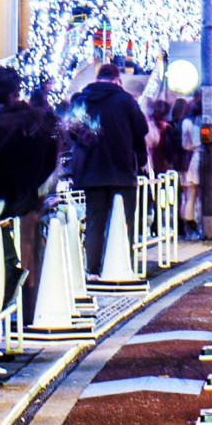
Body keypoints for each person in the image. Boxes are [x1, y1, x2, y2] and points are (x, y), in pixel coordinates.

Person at [0, 64, 60, 313]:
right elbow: (52, 158)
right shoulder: (40, 119)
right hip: (28, 196)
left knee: (1, 254)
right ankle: (30, 311)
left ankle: (5, 310)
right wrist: (37, 186)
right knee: (30, 251)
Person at [67, 60, 148, 276]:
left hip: (91, 171)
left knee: (95, 222)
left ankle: (92, 269)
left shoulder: (82, 100)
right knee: (123, 222)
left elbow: (71, 131)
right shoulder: (125, 100)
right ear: (117, 80)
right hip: (122, 171)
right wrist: (140, 160)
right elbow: (141, 130)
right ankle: (121, 267)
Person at [178, 95, 202, 238]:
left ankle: (189, 225)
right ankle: (197, 225)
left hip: (190, 159)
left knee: (189, 196)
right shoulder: (204, 121)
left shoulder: (186, 122)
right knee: (198, 196)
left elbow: (185, 144)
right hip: (199, 158)